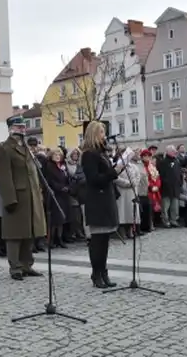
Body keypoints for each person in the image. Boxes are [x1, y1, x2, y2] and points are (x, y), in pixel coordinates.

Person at [0, 116, 45, 280]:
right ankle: (15, 267)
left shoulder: (26, 148)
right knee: (15, 234)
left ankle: (26, 265)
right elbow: (3, 176)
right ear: (11, 129)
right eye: (18, 127)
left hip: (31, 196)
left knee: (29, 232)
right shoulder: (5, 148)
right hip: (16, 197)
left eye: (23, 127)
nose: (22, 129)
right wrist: (10, 199)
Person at [80, 121, 119, 288]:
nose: (104, 135)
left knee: (105, 240)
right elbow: (94, 179)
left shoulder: (102, 153)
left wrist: (116, 170)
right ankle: (96, 274)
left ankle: (103, 271)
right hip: (97, 200)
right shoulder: (89, 154)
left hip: (107, 198)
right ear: (94, 134)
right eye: (101, 132)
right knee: (97, 241)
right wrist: (113, 172)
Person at [157, 145, 183, 228]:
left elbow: (180, 173)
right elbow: (161, 175)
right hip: (166, 188)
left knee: (175, 206)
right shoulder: (163, 162)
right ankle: (165, 220)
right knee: (165, 206)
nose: (175, 152)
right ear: (168, 152)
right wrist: (166, 183)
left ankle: (174, 220)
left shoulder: (177, 161)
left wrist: (180, 182)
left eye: (175, 150)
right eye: (173, 151)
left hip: (176, 187)